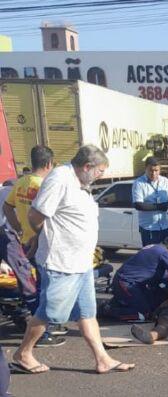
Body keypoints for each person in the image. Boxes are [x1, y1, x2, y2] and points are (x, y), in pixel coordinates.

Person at [10, 145, 135, 375]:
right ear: (87, 167)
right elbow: (35, 215)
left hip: (81, 262)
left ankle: (102, 359)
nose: (100, 176)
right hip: (62, 261)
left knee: (87, 313)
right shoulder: (60, 178)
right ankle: (23, 354)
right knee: (50, 312)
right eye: (99, 172)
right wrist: (39, 238)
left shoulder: (80, 184)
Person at [1, 146, 66, 347]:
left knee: (35, 286)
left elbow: (7, 207)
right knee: (44, 288)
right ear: (49, 164)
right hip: (42, 243)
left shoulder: (20, 183)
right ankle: (42, 333)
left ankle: (44, 325)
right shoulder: (44, 186)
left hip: (25, 242)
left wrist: (19, 228)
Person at [109, 234, 168, 321]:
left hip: (129, 283)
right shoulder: (164, 253)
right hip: (126, 283)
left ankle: (115, 303)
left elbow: (165, 277)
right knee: (144, 314)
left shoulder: (156, 248)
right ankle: (109, 310)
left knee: (152, 307)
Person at [132, 156, 168, 246]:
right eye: (150, 170)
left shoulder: (165, 181)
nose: (153, 173)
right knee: (151, 257)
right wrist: (159, 207)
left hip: (165, 226)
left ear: (160, 169)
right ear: (145, 169)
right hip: (149, 229)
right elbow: (138, 205)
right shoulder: (139, 183)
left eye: (156, 170)